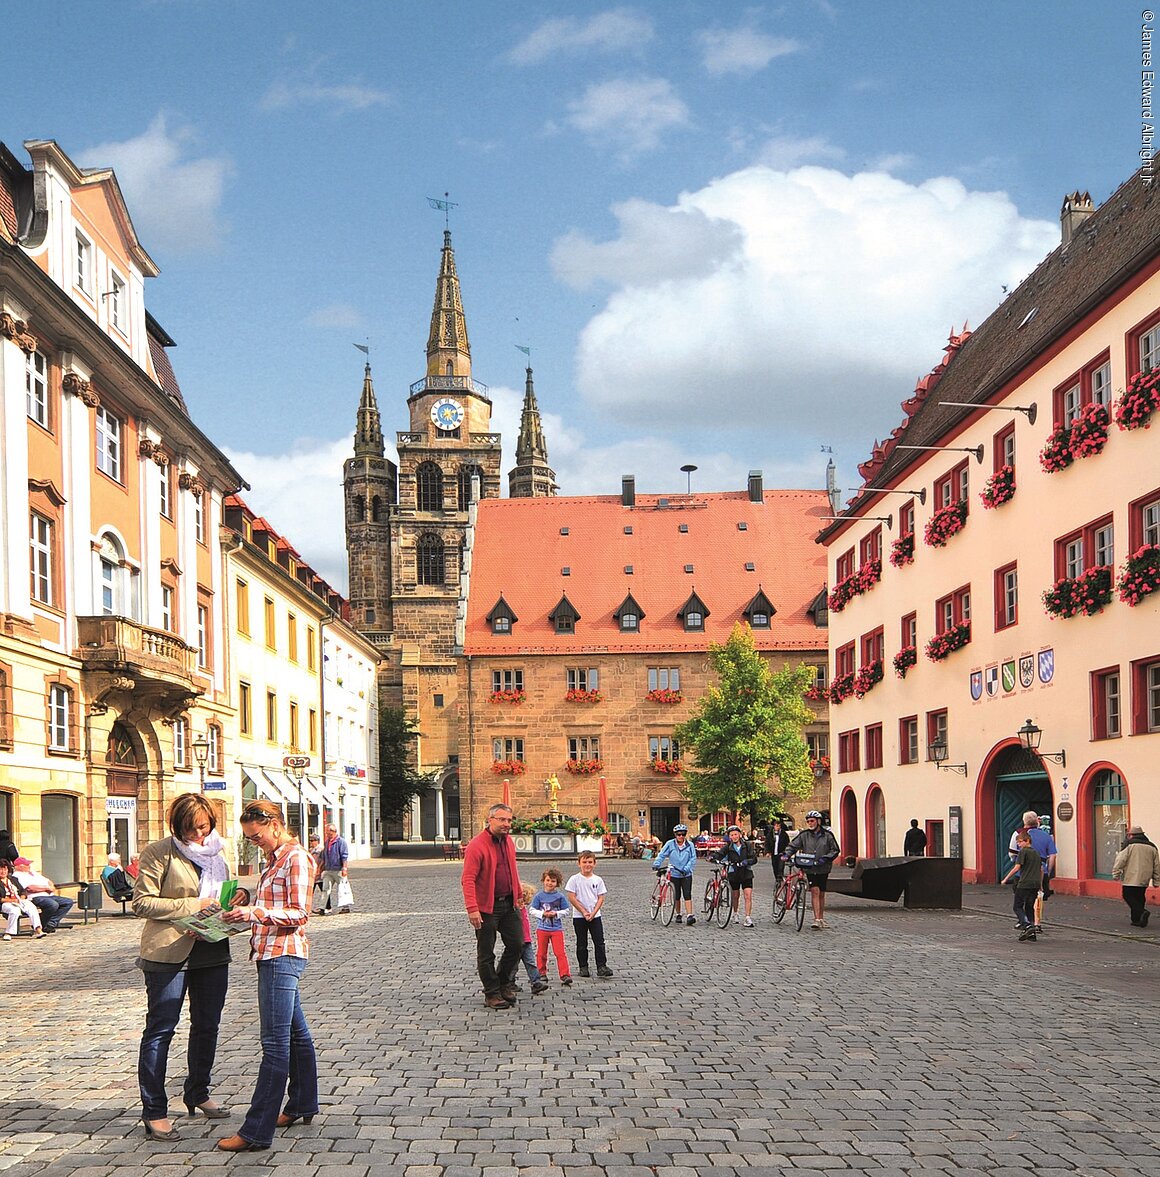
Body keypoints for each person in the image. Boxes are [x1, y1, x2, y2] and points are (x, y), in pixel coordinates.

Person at [133, 793, 247, 1141]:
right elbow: (142, 902)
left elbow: (222, 891)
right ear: (177, 826)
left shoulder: (218, 851)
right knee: (161, 1029)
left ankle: (198, 1092)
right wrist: (193, 904)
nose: (199, 835)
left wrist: (236, 897)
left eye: (204, 826)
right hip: (169, 951)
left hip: (212, 946)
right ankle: (154, 1110)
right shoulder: (159, 852)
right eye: (192, 829)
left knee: (207, 1026)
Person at [218, 800, 319, 1152]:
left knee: (274, 1046)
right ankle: (302, 1104)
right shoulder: (275, 859)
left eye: (256, 835)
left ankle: (256, 1131)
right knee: (296, 1035)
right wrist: (250, 897)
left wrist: (253, 911)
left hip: (282, 957)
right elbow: (277, 901)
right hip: (270, 955)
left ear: (275, 824)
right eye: (249, 837)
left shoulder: (296, 858)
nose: (254, 842)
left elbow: (299, 913)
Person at [461, 803, 524, 1009]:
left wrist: (519, 894)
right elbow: (468, 879)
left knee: (517, 945)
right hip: (486, 907)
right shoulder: (477, 845)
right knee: (486, 952)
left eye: (509, 820)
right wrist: (472, 908)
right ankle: (492, 993)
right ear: (490, 820)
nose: (507, 824)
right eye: (502, 820)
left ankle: (503, 982)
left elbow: (512, 870)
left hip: (509, 903)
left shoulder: (508, 842)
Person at [786, 811, 841, 930]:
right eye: (808, 821)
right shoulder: (804, 835)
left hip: (823, 867)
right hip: (810, 867)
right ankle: (816, 919)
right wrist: (786, 854)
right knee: (815, 890)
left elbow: (835, 849)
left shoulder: (827, 835)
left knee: (821, 893)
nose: (810, 823)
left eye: (812, 821)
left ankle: (821, 918)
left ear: (818, 821)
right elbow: (793, 845)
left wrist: (825, 858)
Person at [565, 851, 613, 977]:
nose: (587, 865)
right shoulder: (574, 879)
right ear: (579, 864)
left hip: (595, 916)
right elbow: (571, 897)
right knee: (582, 943)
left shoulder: (598, 880)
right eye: (584, 862)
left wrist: (593, 912)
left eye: (590, 862)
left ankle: (601, 966)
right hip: (579, 916)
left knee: (599, 941)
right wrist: (584, 912)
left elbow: (601, 898)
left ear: (594, 864)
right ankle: (583, 966)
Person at [504, 882, 549, 995]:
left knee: (531, 963)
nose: (522, 903)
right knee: (513, 965)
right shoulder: (512, 910)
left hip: (527, 941)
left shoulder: (523, 909)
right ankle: (509, 982)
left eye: (524, 901)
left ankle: (536, 983)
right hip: (516, 942)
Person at [529, 868, 572, 985]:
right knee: (541, 953)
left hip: (556, 929)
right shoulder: (539, 896)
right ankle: (541, 973)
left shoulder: (560, 897)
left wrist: (556, 914)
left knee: (560, 952)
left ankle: (565, 974)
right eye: (548, 880)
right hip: (542, 929)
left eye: (553, 881)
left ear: (557, 883)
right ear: (544, 880)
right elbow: (532, 910)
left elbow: (566, 910)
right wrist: (542, 914)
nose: (550, 883)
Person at [1112, 825, 1160, 927]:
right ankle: (1137, 920)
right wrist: (1156, 881)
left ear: (1131, 835)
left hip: (1131, 877)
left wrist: (1116, 873)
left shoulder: (1129, 845)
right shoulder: (1152, 846)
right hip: (1145, 878)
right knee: (1139, 897)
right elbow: (1156, 865)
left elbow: (1120, 860)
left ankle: (1142, 912)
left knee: (1128, 895)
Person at [712, 824, 758, 927]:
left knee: (748, 895)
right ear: (729, 837)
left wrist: (747, 861)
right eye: (732, 835)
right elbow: (719, 854)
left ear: (740, 835)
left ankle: (747, 917)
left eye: (736, 834)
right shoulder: (728, 847)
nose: (734, 837)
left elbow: (754, 859)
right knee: (735, 895)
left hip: (746, 873)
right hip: (734, 873)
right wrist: (713, 857)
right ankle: (735, 913)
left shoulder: (748, 845)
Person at [11, 857, 73, 932]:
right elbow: (30, 888)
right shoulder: (18, 875)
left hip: (48, 895)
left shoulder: (33, 872)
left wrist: (52, 887)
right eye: (27, 865)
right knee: (52, 905)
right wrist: (46, 888)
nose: (29, 866)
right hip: (35, 896)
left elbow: (48, 880)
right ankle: (44, 923)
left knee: (68, 902)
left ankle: (50, 923)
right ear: (20, 866)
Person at [1001, 830, 1042, 941]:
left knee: (1017, 906)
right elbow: (1041, 869)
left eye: (1019, 842)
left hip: (1024, 883)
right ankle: (1032, 933)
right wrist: (1041, 885)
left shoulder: (1023, 852)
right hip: (1035, 884)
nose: (1018, 845)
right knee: (1029, 907)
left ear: (1027, 841)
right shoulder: (1037, 853)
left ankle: (1026, 924)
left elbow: (1017, 867)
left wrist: (1005, 878)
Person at [653, 824, 698, 925]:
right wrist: (656, 863)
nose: (681, 836)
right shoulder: (670, 844)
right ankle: (678, 913)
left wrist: (686, 869)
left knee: (687, 894)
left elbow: (693, 858)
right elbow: (662, 854)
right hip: (674, 873)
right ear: (675, 835)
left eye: (683, 834)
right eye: (679, 834)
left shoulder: (690, 845)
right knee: (677, 895)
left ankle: (690, 915)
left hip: (686, 874)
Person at [1009, 811, 1057, 898]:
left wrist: (1016, 861)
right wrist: (1048, 872)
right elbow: (1052, 856)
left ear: (1024, 821)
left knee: (1021, 900)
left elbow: (1012, 853)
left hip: (1022, 874)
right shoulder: (1047, 835)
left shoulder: (1018, 833)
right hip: (1041, 872)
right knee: (1039, 900)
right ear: (1037, 821)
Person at [1, 859, 45, 941]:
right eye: (1, 869)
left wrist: (22, 898)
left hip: (18, 900)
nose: (3, 871)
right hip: (5, 903)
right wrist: (12, 900)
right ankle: (9, 933)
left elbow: (23, 891)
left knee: (31, 907)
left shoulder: (13, 879)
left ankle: (38, 930)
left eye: (5, 869)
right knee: (14, 910)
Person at [315, 823, 349, 914]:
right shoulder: (327, 842)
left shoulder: (341, 842)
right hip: (328, 869)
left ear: (334, 832)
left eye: (328, 833)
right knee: (325, 888)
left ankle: (345, 907)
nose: (327, 835)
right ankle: (323, 908)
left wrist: (344, 868)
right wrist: (320, 868)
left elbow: (344, 856)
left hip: (338, 869)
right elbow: (323, 856)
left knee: (342, 888)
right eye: (326, 833)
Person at [765, 817, 790, 885]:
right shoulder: (770, 834)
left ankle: (780, 878)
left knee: (781, 866)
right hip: (774, 853)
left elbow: (787, 843)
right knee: (775, 866)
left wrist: (786, 852)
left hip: (781, 853)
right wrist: (768, 852)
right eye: (776, 826)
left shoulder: (784, 834)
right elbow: (767, 843)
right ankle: (777, 878)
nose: (777, 827)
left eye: (778, 826)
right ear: (774, 826)